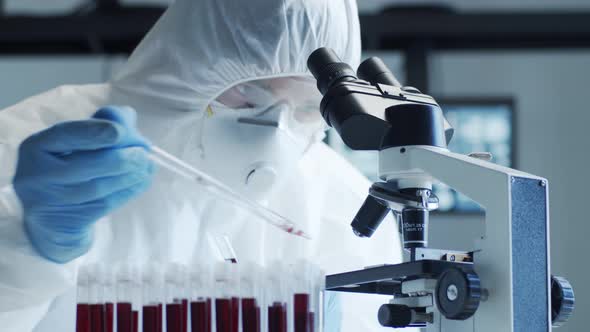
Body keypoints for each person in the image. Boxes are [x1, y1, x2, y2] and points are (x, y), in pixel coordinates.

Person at [0, 0, 412, 331]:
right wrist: (24, 251)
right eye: (249, 96)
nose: (276, 129)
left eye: (306, 108)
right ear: (185, 70)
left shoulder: (340, 199)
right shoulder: (36, 143)